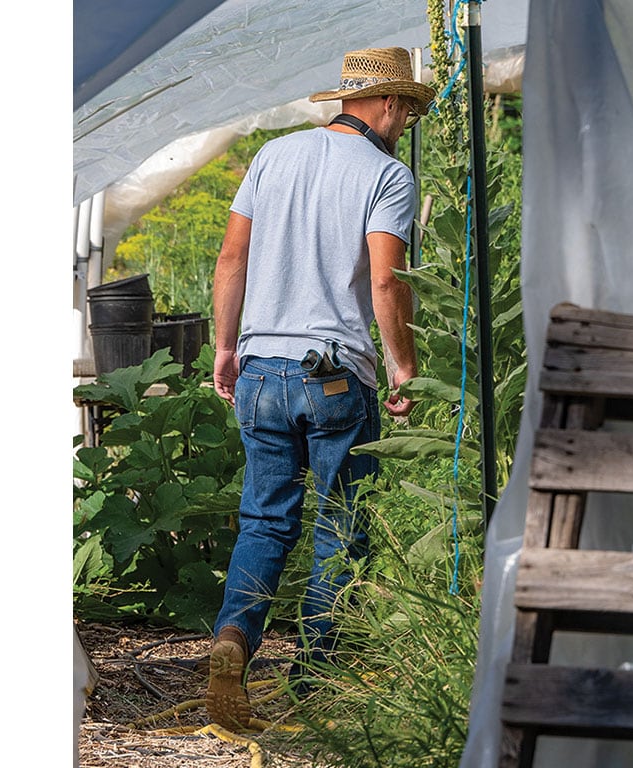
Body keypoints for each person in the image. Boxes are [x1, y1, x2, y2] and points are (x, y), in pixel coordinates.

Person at [203, 46, 434, 729]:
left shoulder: (274, 156)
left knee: (264, 520)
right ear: (388, 104)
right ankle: (317, 686)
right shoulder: (387, 176)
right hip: (333, 377)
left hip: (261, 369)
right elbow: (387, 281)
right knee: (342, 525)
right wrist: (403, 366)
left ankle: (233, 640)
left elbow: (231, 256)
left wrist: (224, 345)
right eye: (410, 111)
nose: (409, 124)